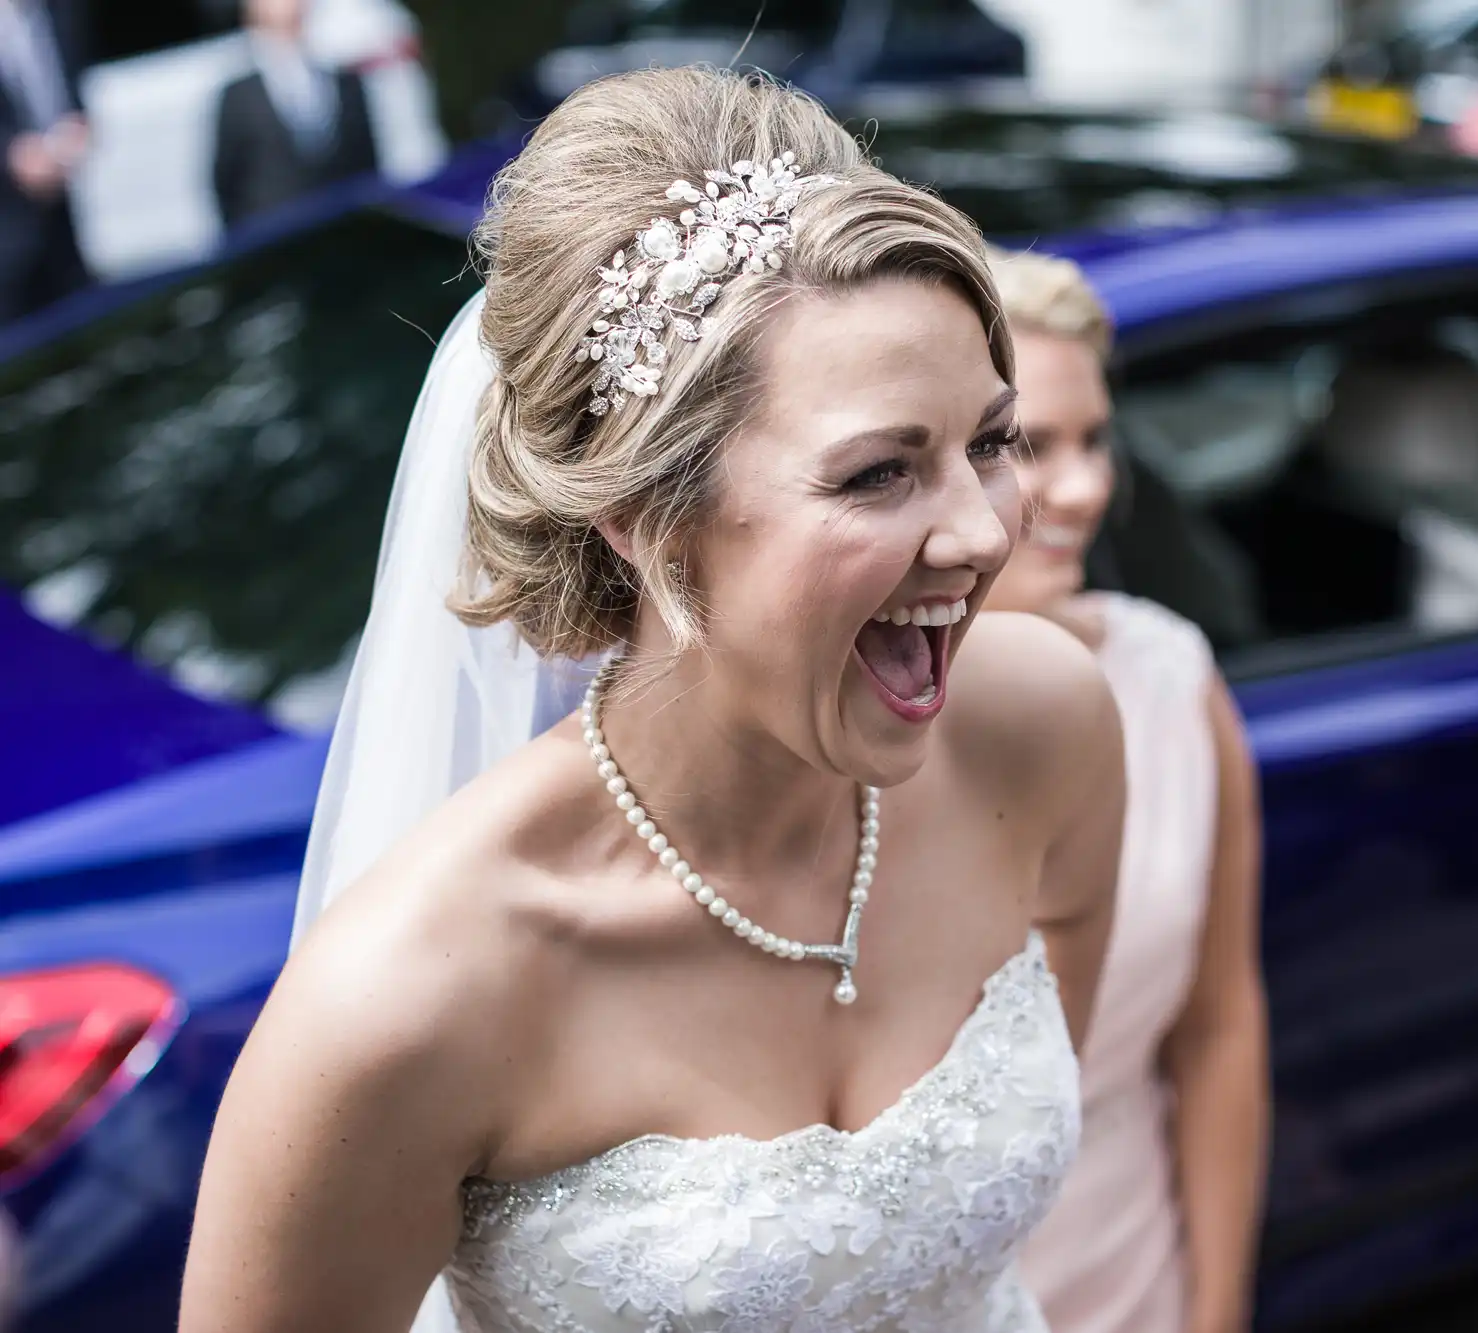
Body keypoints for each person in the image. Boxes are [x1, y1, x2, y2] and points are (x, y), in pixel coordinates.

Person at [180, 68, 1125, 1333]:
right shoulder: (406, 999)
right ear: (646, 524)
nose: (978, 530)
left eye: (989, 442)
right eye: (878, 472)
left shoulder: (1043, 730)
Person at [993, 250, 1270, 1333]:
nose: (1085, 486)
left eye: (1094, 439)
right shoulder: (845, 731)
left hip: (1128, 1267)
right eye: (1028, 447)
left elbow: (1215, 1025)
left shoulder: (1168, 677)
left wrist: (1213, 1309)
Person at [211, 0, 378, 231]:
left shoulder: (343, 82)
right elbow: (226, 183)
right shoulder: (239, 95)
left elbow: (368, 164)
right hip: (274, 240)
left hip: (341, 231)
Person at [0, 0, 89, 325]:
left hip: (61, 220)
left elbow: (70, 81)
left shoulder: (60, 9)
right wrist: (10, 155)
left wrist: (78, 123)